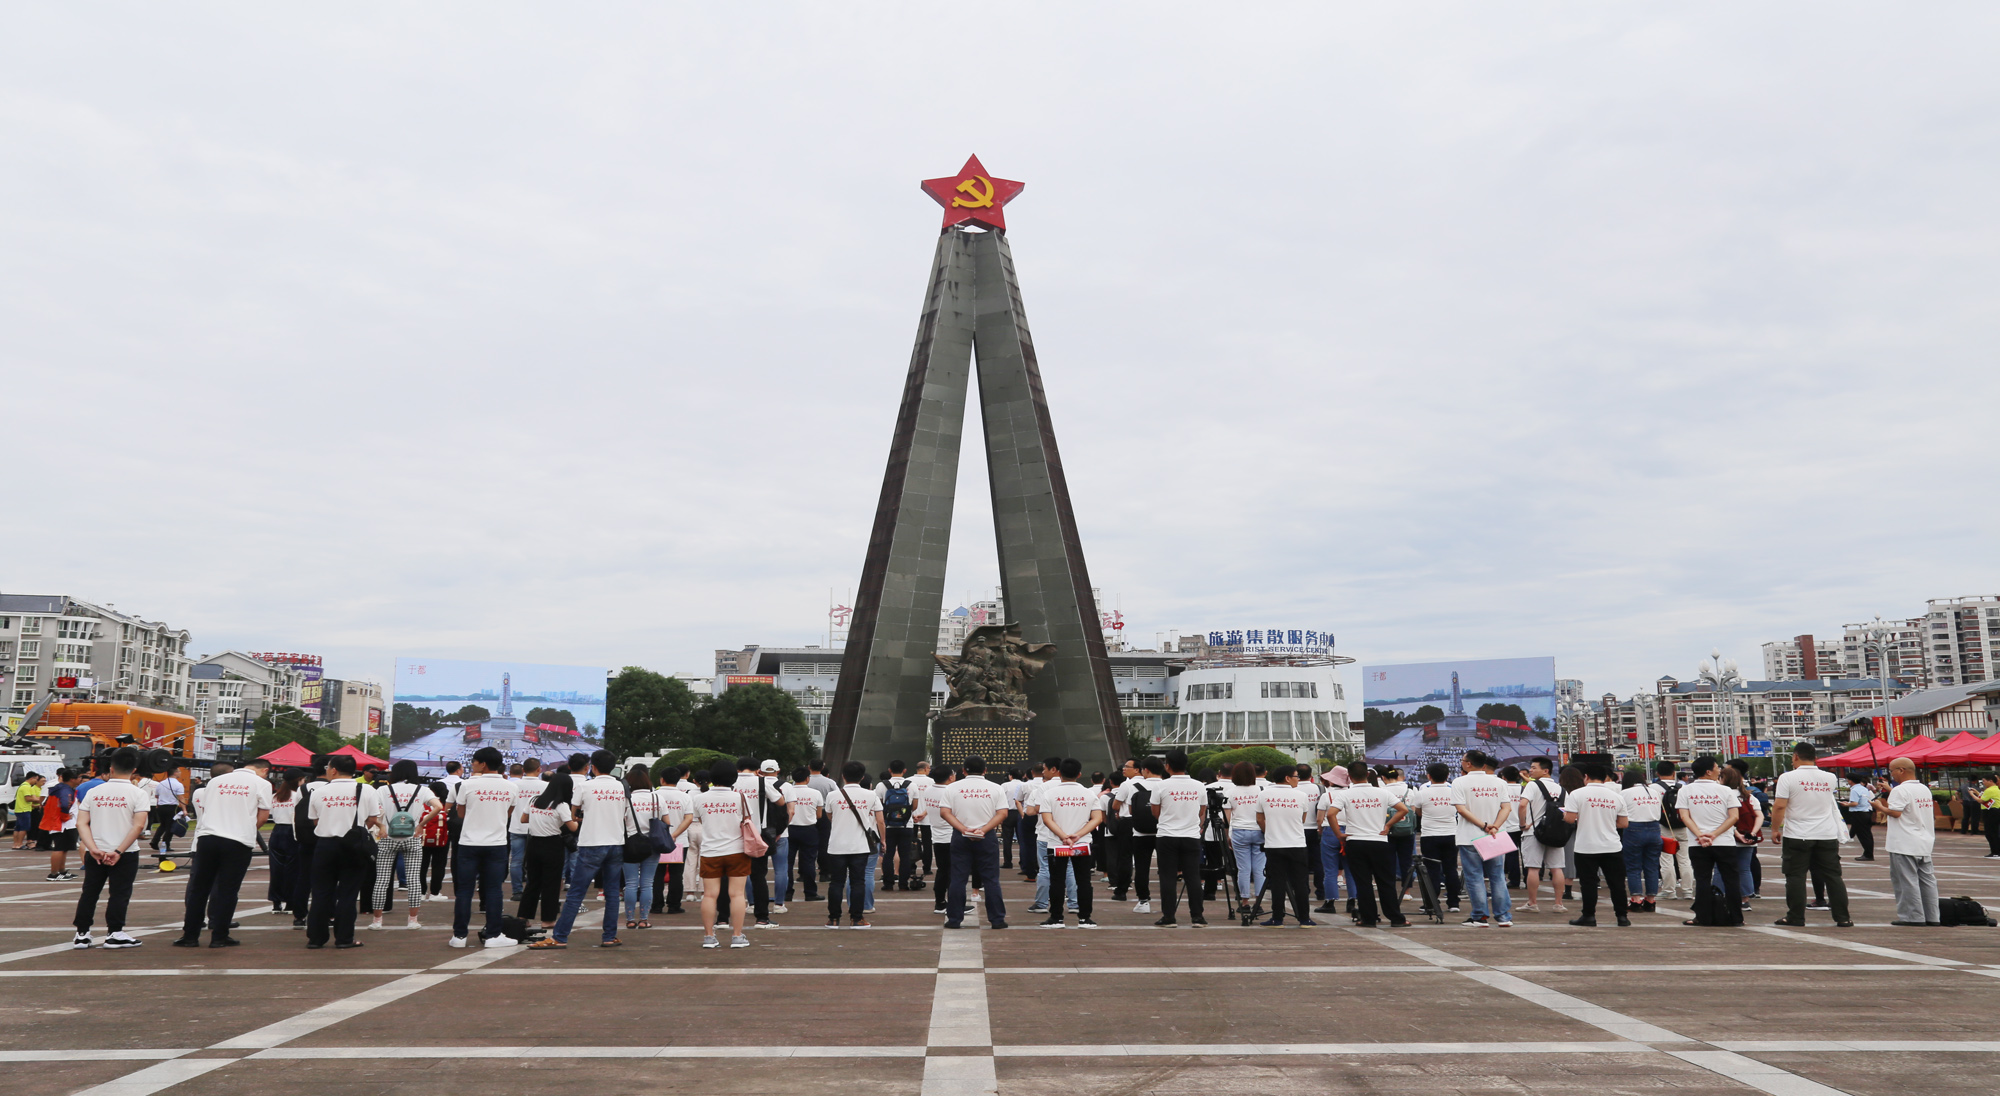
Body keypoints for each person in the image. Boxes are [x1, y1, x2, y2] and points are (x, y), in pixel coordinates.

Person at [538, 750, 635, 949]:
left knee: (576, 893)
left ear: (593, 767)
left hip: (591, 842)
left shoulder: (585, 786)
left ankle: (560, 937)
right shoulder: (621, 786)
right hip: (616, 843)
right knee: (612, 892)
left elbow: (574, 814)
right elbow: (624, 813)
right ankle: (609, 936)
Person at [174, 757, 273, 948]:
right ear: (264, 770)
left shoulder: (215, 782)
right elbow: (263, 814)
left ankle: (190, 936)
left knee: (199, 889)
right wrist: (248, 829)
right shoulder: (262, 784)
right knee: (228, 890)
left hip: (208, 838)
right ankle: (219, 936)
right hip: (238, 841)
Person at [71, 748, 150, 950]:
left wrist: (93, 848)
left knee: (89, 892)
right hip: (125, 852)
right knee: (119, 893)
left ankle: (82, 934)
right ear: (134, 769)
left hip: (95, 852)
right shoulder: (138, 793)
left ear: (111, 768)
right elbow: (139, 826)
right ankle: (114, 933)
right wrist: (118, 851)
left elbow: (81, 824)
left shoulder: (93, 792)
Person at [1769, 742, 1852, 928]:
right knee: (1833, 876)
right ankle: (1843, 917)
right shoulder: (1830, 777)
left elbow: (1780, 806)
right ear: (1815, 757)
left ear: (1796, 756)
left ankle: (1796, 917)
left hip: (1798, 834)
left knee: (1796, 876)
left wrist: (1775, 829)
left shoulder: (1787, 777)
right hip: (1826, 834)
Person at [305, 754, 380, 950]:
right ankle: (344, 938)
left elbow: (314, 821)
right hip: (354, 846)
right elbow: (372, 819)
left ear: (334, 770)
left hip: (325, 845)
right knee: (348, 893)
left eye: (328, 767)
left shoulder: (319, 791)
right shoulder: (367, 789)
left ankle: (316, 939)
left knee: (321, 893)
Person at [446, 747, 517, 948]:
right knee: (494, 890)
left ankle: (459, 937)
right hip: (496, 844)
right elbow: (508, 813)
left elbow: (460, 814)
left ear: (483, 764)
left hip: (469, 843)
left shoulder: (466, 785)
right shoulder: (510, 787)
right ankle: (493, 936)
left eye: (475, 761)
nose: (472, 764)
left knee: (465, 890)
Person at [1324, 764, 1406, 928]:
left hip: (1356, 841)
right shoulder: (1382, 792)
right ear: (1368, 774)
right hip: (1379, 841)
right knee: (1386, 882)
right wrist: (1388, 825)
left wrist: (1339, 834)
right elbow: (1403, 809)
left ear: (1350, 776)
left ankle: (1368, 919)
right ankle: (1396, 918)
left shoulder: (1346, 794)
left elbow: (1331, 814)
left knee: (1363, 882)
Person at [368, 760, 438, 933]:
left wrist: (381, 825)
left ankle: (377, 921)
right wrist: (421, 824)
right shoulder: (422, 790)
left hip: (388, 837)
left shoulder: (383, 790)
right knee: (414, 880)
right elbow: (438, 807)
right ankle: (412, 920)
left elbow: (369, 811)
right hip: (412, 837)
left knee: (382, 880)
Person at [940, 755, 1008, 929]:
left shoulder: (952, 788)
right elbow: (1002, 813)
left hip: (960, 836)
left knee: (958, 878)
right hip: (987, 837)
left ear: (963, 771)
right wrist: (983, 830)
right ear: (985, 770)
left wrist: (963, 829)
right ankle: (997, 920)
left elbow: (945, 813)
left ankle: (954, 919)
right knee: (991, 879)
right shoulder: (995, 788)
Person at [1036, 759, 1103, 928]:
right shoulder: (1089, 794)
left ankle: (1056, 918)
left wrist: (1063, 836)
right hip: (1081, 845)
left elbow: (1046, 819)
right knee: (1084, 881)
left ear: (1059, 773)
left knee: (1057, 881)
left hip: (1056, 844)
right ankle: (1085, 918)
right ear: (1079, 774)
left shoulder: (1049, 794)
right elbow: (1097, 818)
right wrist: (1078, 835)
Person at [1562, 762, 1630, 927]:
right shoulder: (1616, 796)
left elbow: (1569, 819)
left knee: (1588, 883)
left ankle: (1589, 916)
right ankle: (1622, 917)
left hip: (1586, 846)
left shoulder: (1576, 794)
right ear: (1605, 778)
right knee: (1617, 884)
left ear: (1586, 777)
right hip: (1612, 846)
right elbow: (1623, 824)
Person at [1678, 756, 1742, 927]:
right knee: (1731, 880)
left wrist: (1700, 835)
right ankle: (1736, 917)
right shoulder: (1726, 791)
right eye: (1716, 767)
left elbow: (1685, 817)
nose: (1719, 770)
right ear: (1708, 771)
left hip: (1697, 844)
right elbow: (1734, 816)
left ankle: (1703, 917)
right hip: (1724, 843)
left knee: (1702, 880)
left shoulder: (1685, 790)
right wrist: (1714, 834)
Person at [1451, 751, 1513, 928]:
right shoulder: (1499, 782)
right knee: (1497, 876)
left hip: (1470, 836)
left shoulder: (1459, 782)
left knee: (1474, 877)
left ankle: (1480, 917)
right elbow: (1506, 808)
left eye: (1463, 760)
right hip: (1494, 836)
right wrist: (1494, 826)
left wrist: (1484, 825)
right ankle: (1503, 917)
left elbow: (1461, 810)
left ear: (1468, 764)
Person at [1149, 750, 1208, 927]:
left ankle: (1169, 917)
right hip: (1191, 836)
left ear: (1167, 766)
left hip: (1167, 835)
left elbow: (1155, 811)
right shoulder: (1199, 785)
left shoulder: (1160, 786)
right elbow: (1202, 810)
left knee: (1167, 877)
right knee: (1193, 876)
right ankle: (1197, 916)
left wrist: (1169, 820)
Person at [823, 760, 882, 930]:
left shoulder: (833, 795)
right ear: (862, 777)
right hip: (860, 846)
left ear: (843, 776)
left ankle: (833, 919)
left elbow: (829, 816)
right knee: (858, 882)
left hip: (837, 845)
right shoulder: (871, 795)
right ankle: (857, 919)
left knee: (836, 883)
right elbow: (879, 819)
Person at [1882, 757, 1940, 927]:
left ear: (1901, 770)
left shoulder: (1900, 790)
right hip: (1924, 841)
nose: (1891, 774)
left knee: (1906, 881)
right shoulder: (1924, 789)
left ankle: (1912, 916)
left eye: (1892, 771)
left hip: (1904, 842)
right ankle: (1932, 916)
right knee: (1927, 881)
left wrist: (1879, 807)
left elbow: (1895, 812)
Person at [1254, 765, 1314, 925]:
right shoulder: (1301, 796)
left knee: (1278, 882)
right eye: (1296, 777)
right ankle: (1304, 918)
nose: (1298, 780)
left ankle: (1277, 917)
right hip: (1297, 843)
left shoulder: (1264, 794)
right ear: (1287, 778)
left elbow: (1259, 819)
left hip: (1274, 844)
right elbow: (1302, 818)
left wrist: (1270, 830)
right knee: (1300, 882)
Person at [517, 772, 576, 932]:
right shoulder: (561, 805)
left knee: (532, 883)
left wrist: (540, 819)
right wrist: (577, 821)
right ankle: (547, 920)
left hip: (533, 844)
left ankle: (523, 917)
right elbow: (572, 827)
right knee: (551, 884)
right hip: (552, 845)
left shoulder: (534, 800)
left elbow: (523, 819)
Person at [731, 758, 787, 927]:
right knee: (758, 877)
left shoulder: (731, 782)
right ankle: (762, 917)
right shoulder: (762, 783)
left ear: (738, 769)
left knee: (732, 877)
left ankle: (723, 919)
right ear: (757, 770)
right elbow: (781, 802)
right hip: (757, 836)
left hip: (733, 835)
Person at [1407, 763, 1461, 916]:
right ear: (1448, 776)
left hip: (1430, 836)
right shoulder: (1454, 792)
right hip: (1451, 834)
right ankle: (1453, 903)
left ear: (1428, 776)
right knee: (1451, 869)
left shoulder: (1423, 792)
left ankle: (1431, 902)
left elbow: (1417, 812)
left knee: (1432, 871)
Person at [1518, 757, 1567, 914]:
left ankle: (1532, 903)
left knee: (1533, 868)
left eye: (1533, 768)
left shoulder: (1532, 785)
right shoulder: (1561, 789)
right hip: (1555, 833)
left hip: (1534, 832)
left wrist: (1522, 823)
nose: (1530, 770)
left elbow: (1522, 805)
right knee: (1556, 868)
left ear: (1545, 770)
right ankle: (1558, 904)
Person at [622, 765, 662, 930]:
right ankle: (644, 919)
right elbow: (665, 822)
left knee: (631, 883)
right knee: (647, 883)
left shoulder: (625, 800)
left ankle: (630, 919)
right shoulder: (657, 798)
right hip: (652, 844)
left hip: (630, 844)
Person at [1618, 771, 1663, 914]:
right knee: (1652, 866)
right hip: (1655, 829)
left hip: (1634, 829)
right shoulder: (1654, 792)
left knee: (1633, 867)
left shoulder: (1625, 793)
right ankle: (1650, 901)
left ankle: (1636, 900)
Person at [915, 766, 957, 914]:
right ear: (950, 778)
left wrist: (924, 813)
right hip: (950, 836)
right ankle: (952, 904)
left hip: (937, 836)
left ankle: (940, 903)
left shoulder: (929, 790)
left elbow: (937, 805)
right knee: (953, 872)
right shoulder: (950, 792)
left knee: (942, 871)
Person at [1653, 761, 1694, 900]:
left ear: (1657, 773)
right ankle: (1688, 890)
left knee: (1666, 860)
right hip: (1683, 826)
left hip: (1663, 827)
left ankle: (1669, 890)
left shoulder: (1652, 788)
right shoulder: (1684, 788)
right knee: (1684, 860)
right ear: (1674, 773)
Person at [508, 757, 545, 902]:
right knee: (536, 862)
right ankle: (535, 890)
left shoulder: (513, 785)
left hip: (517, 826)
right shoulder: (545, 786)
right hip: (538, 828)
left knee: (516, 861)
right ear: (539, 769)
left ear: (523, 770)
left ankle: (517, 891)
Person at [268, 768, 305, 915]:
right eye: (302, 780)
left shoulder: (275, 796)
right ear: (298, 780)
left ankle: (276, 903)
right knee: (293, 869)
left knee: (276, 869)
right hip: (292, 832)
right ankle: (290, 902)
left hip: (277, 832)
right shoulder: (298, 796)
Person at [879, 760, 918, 891]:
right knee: (905, 855)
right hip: (906, 825)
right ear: (905, 770)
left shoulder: (881, 785)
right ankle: (903, 884)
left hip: (887, 826)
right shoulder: (912, 785)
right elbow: (915, 806)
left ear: (889, 770)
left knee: (888, 855)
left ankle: (888, 884)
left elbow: (879, 806)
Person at [41, 769, 82, 881]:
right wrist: (65, 817)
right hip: (62, 824)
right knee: (59, 848)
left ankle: (61, 871)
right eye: (79, 777)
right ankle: (54, 874)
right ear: (72, 779)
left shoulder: (61, 788)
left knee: (64, 848)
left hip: (63, 823)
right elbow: (64, 804)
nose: (80, 779)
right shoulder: (65, 790)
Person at [148, 768, 186, 856]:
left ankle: (155, 841)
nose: (180, 773)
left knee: (163, 825)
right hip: (171, 807)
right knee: (170, 826)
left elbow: (157, 796)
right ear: (175, 773)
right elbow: (181, 798)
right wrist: (184, 809)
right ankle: (166, 844)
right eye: (179, 771)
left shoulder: (161, 783)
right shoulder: (178, 784)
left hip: (161, 807)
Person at [1846, 774, 1878, 861]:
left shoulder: (1854, 790)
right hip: (1867, 812)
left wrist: (1846, 804)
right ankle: (1868, 853)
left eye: (1848, 780)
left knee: (1863, 835)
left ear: (1851, 780)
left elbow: (1854, 803)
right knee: (1867, 834)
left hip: (1858, 813)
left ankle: (1868, 854)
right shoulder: (1864, 789)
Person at [12, 772, 44, 851]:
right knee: (24, 828)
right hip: (24, 809)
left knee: (18, 828)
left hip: (19, 809)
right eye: (36, 779)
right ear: (31, 778)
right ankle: (19, 844)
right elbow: (28, 798)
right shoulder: (26, 787)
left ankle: (15, 844)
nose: (36, 781)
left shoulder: (22, 785)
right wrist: (40, 800)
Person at [1981, 776, 2000, 859]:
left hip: (1992, 812)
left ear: (1991, 781)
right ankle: (1996, 851)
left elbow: (1980, 800)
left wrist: (1971, 794)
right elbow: (1984, 799)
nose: (1983, 783)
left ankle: (1995, 852)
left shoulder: (1990, 790)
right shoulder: (1996, 789)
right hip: (1994, 811)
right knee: (1994, 832)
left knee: (1991, 832)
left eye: (1984, 781)